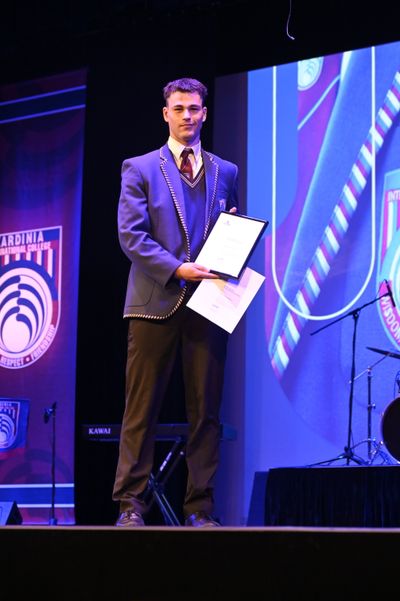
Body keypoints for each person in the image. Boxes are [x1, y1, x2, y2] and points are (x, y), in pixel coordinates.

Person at [112, 77, 239, 527]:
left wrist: (234, 246)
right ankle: (131, 504)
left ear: (205, 113)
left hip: (209, 304)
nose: (188, 115)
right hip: (154, 301)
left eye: (194, 108)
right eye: (179, 108)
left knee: (206, 413)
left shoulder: (225, 171)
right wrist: (177, 269)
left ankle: (200, 509)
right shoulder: (141, 168)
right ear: (166, 114)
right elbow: (131, 236)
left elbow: (231, 230)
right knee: (141, 409)